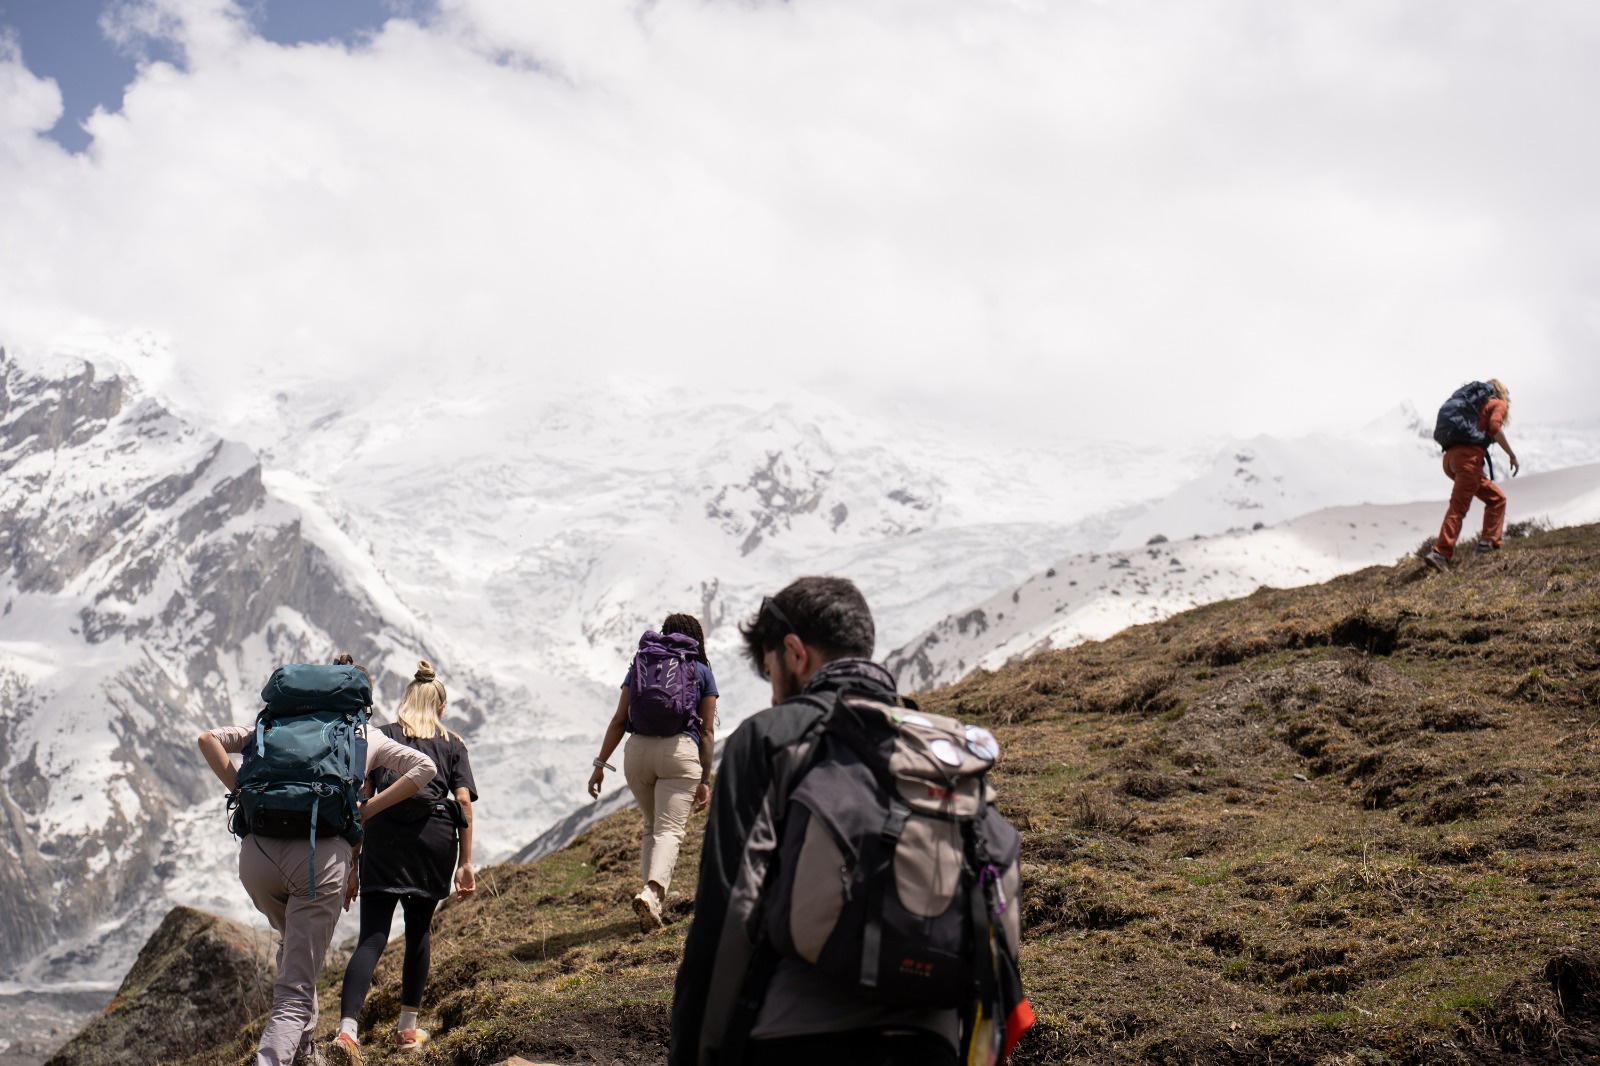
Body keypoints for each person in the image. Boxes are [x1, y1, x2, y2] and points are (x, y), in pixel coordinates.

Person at [670, 577, 961, 1066]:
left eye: (770, 673)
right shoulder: (942, 749)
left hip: (795, 1034)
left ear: (794, 653)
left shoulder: (769, 738)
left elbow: (728, 910)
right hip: (933, 1034)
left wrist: (693, 1047)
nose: (773, 697)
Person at [198, 655, 436, 1066]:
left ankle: (305, 1050)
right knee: (294, 986)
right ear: (360, 696)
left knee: (293, 947)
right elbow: (424, 766)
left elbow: (208, 740)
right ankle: (273, 1059)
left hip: (257, 857)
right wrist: (367, 809)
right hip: (318, 860)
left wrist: (243, 792)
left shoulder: (272, 724)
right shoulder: (364, 734)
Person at [331, 660, 478, 1063]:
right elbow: (462, 801)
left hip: (384, 838)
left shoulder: (382, 737)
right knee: (419, 931)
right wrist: (466, 862)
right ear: (441, 707)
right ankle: (407, 1029)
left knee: (372, 937)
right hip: (433, 844)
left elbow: (363, 801)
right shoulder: (453, 744)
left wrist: (354, 864)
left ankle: (347, 1032)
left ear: (405, 701)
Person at [588, 613, 718, 932]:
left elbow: (620, 719)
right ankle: (653, 892)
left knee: (651, 826)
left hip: (638, 753)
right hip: (679, 754)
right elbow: (707, 733)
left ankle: (652, 902)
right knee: (669, 830)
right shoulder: (700, 671)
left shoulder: (641, 665)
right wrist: (703, 779)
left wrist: (600, 765)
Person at [1426, 378, 1520, 573]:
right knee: (1458, 508)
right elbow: (1495, 428)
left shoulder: (1473, 406)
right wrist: (1511, 455)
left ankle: (1487, 543)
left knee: (1496, 499)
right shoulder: (1497, 403)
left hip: (1451, 459)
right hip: (1468, 460)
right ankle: (1440, 553)